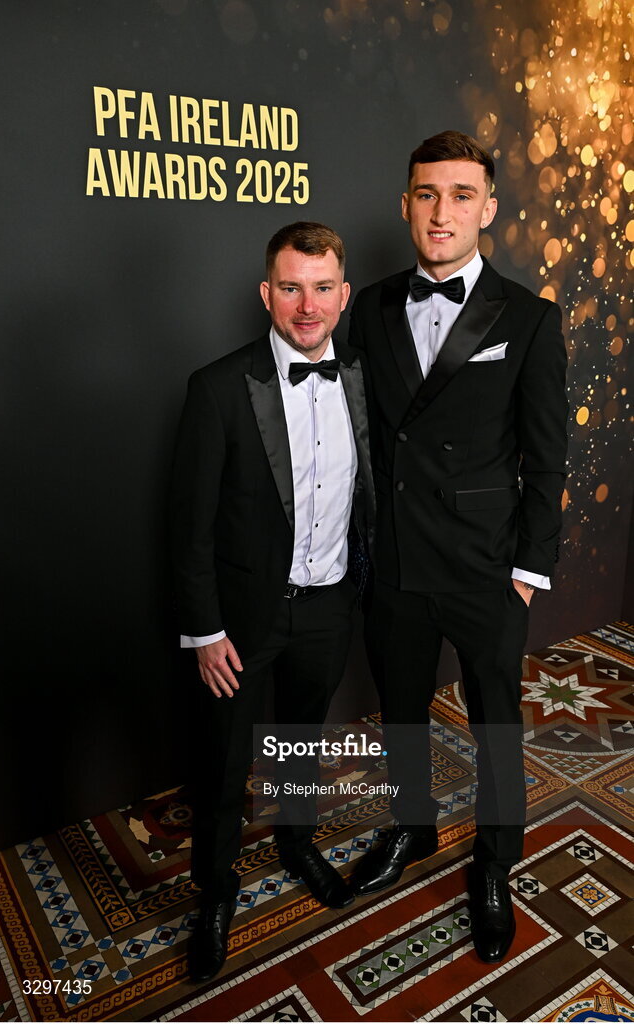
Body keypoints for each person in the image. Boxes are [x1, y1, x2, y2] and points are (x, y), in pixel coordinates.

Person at [348, 131, 568, 963]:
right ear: (406, 203)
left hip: (485, 568)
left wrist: (526, 574)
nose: (443, 213)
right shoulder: (367, 306)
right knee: (401, 712)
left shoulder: (531, 318)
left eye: (461, 195)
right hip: (398, 559)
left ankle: (494, 868)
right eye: (427, 195)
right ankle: (414, 830)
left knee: (496, 727)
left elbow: (547, 458)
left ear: (490, 207)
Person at [169, 222, 374, 983]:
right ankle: (217, 891)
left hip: (328, 607)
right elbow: (187, 526)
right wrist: (205, 631)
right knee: (225, 762)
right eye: (291, 287)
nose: (307, 304)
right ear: (267, 293)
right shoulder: (220, 386)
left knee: (299, 740)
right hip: (242, 621)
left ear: (343, 295)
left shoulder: (360, 372)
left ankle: (296, 843)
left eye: (323, 288)